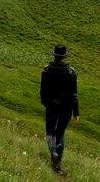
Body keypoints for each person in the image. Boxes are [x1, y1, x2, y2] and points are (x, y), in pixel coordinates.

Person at [40, 44, 80, 172]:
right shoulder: (71, 72)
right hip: (66, 107)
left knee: (50, 131)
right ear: (64, 57)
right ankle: (57, 164)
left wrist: (47, 103)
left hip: (51, 105)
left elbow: (43, 92)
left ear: (54, 55)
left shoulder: (46, 70)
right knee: (60, 133)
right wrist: (76, 112)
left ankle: (53, 153)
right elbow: (74, 94)